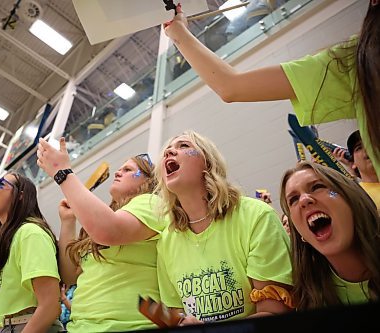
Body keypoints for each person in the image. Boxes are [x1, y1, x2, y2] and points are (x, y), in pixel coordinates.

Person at [163, 2, 380, 178]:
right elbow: (229, 86)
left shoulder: (353, 60)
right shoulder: (356, 60)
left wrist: (178, 32)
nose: (170, 151)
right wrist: (178, 32)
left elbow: (230, 86)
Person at [155, 130, 293, 325]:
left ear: (208, 163)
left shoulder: (256, 216)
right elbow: (175, 313)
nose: (169, 153)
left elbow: (275, 313)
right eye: (166, 151)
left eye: (184, 146)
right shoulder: (166, 241)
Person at [36, 137, 167, 332]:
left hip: (128, 326)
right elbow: (70, 276)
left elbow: (108, 230)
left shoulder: (152, 203)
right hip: (80, 327)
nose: (117, 172)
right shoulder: (107, 219)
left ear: (148, 181)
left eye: (128, 169)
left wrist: (63, 173)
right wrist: (68, 221)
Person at [0, 173, 62, 333]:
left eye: (0, 184)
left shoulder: (30, 233)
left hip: (25, 326)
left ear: (20, 196)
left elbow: (50, 306)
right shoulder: (7, 239)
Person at [279, 161, 380, 310]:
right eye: (293, 199)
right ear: (301, 235)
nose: (304, 200)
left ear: (351, 199)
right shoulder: (306, 300)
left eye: (317, 187)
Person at [333, 130, 379, 210]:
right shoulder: (356, 195)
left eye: (371, 143)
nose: (367, 148)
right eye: (359, 148)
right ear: (353, 163)